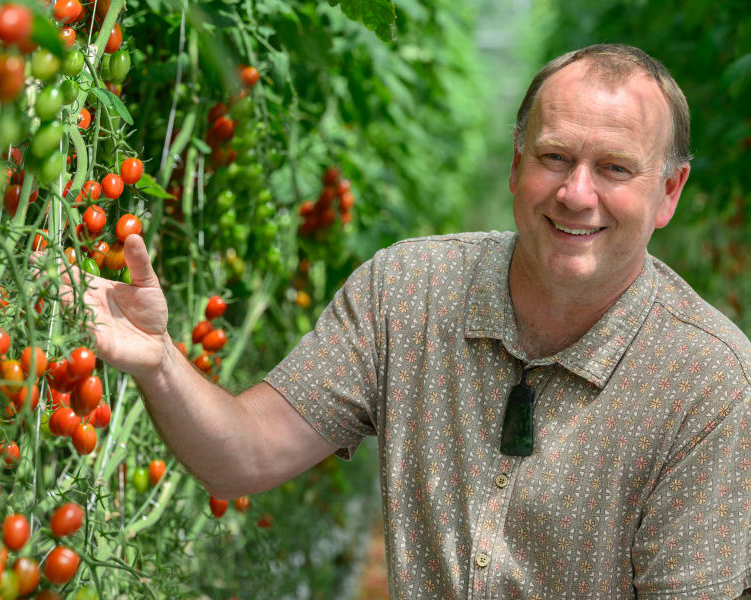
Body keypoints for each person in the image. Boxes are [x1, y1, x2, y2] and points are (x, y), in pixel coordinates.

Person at [55, 44, 751, 599]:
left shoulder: (708, 385)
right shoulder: (408, 292)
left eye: (615, 168)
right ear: (515, 166)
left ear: (668, 192)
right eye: (554, 157)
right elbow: (243, 456)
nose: (576, 193)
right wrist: (160, 361)